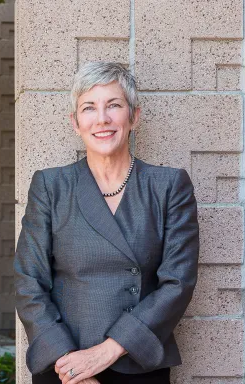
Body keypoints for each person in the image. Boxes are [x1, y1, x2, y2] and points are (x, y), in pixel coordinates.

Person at [14, 62, 200, 384]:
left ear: (134, 117)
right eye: (89, 108)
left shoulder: (169, 186)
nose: (102, 119)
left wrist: (107, 351)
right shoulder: (50, 186)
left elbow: (177, 282)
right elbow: (28, 281)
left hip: (138, 361)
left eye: (114, 105)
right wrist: (71, 364)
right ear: (75, 122)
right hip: (64, 366)